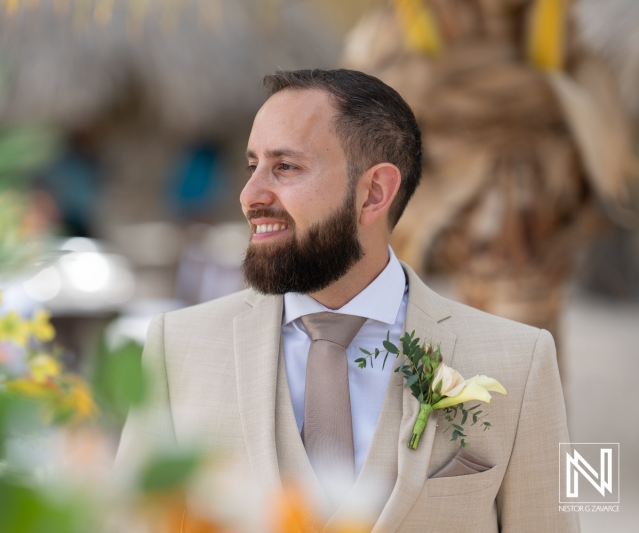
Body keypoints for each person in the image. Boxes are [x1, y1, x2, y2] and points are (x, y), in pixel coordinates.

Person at [116, 69, 579, 532]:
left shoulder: (521, 361)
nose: (249, 195)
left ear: (374, 193)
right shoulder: (178, 346)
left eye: (285, 167)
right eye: (251, 165)